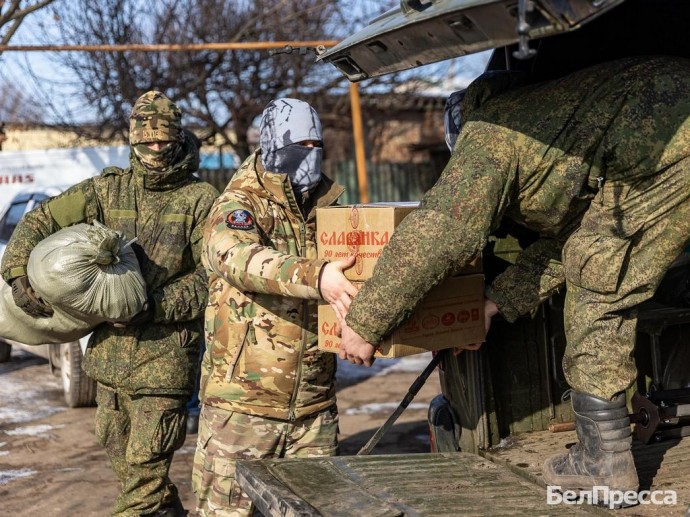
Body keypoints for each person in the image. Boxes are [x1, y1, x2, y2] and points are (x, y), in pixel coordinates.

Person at [338, 55, 690, 499]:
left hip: (669, 131)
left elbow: (441, 228)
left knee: (598, 282)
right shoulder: (551, 129)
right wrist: (494, 303)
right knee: (590, 254)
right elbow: (566, 243)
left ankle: (604, 463)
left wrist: (365, 322)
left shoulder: (491, 132)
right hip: (668, 127)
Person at [1, 90, 219, 517]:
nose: (155, 149)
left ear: (177, 138)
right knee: (141, 482)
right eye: (146, 140)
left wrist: (153, 306)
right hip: (108, 363)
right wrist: (16, 273)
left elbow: (212, 277)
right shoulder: (106, 190)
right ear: (133, 139)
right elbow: (40, 219)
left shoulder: (200, 201)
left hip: (165, 361)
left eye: (163, 140)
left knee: (141, 480)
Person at [192, 98, 357, 516]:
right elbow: (235, 257)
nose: (310, 153)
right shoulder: (240, 205)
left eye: (316, 143)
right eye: (298, 144)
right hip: (244, 410)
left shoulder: (329, 207)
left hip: (314, 409)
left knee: (317, 509)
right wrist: (317, 277)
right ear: (271, 144)